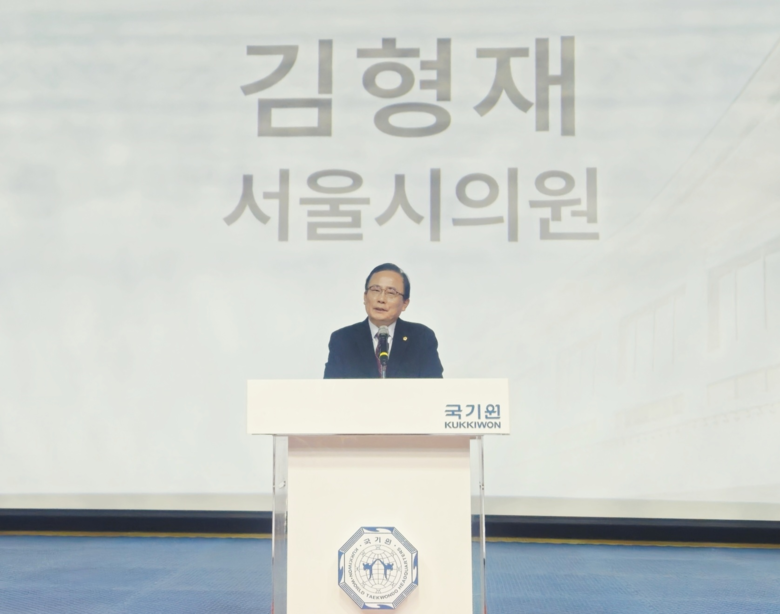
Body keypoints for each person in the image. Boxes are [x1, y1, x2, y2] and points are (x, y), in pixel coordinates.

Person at [323, 263, 443, 379]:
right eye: (375, 290)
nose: (381, 299)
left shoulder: (421, 338)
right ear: (365, 297)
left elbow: (435, 388)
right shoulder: (343, 339)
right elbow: (330, 389)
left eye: (391, 293)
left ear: (405, 303)